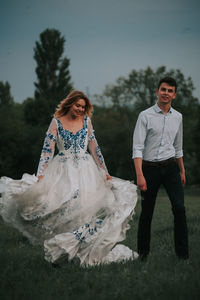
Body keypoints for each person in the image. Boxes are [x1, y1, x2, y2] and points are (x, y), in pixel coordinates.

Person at [0, 90, 138, 266]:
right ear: (70, 104)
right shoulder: (56, 122)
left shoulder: (86, 121)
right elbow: (47, 150)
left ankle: (79, 250)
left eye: (83, 107)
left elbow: (95, 149)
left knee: (85, 207)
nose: (80, 109)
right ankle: (63, 248)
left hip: (86, 169)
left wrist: (104, 171)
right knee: (66, 205)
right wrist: (41, 174)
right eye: (77, 105)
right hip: (63, 170)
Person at [132, 77, 189, 260]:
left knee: (179, 208)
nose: (166, 93)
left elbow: (179, 147)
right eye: (163, 89)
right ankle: (143, 255)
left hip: (171, 166)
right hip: (149, 169)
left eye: (170, 90)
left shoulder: (178, 117)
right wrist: (140, 175)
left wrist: (182, 170)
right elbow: (137, 148)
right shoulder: (145, 116)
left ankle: (183, 255)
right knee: (147, 212)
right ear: (157, 91)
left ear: (175, 94)